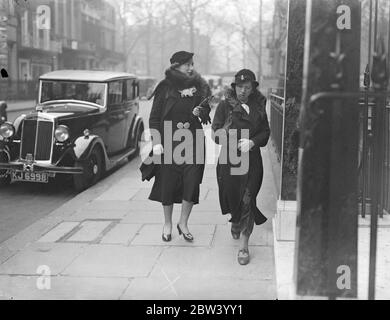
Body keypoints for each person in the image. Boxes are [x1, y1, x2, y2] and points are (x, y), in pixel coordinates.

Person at [148, 51, 211, 242]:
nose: (191, 68)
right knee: (167, 184)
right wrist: (157, 142)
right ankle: (167, 223)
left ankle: (183, 223)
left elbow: (206, 108)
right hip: (169, 143)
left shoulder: (198, 87)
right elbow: (154, 118)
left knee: (191, 184)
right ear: (176, 67)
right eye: (187, 65)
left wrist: (201, 111)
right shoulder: (164, 88)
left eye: (192, 64)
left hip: (193, 142)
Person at [212, 69, 270, 265]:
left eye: (247, 87)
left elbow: (265, 132)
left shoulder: (260, 106)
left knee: (248, 199)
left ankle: (244, 245)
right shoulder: (224, 106)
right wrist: (230, 137)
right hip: (229, 160)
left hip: (252, 161)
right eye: (239, 87)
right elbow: (215, 134)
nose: (243, 91)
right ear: (234, 87)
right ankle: (235, 220)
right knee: (231, 196)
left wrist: (252, 142)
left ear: (253, 88)